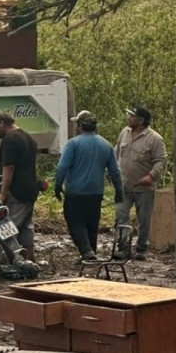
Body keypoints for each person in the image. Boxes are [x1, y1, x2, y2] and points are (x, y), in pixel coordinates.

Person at [54, 111, 123, 261]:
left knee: (75, 222)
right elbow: (115, 172)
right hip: (96, 192)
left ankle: (87, 252)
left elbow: (62, 167)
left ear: (80, 126)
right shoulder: (106, 145)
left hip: (75, 192)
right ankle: (91, 253)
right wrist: (119, 191)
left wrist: (58, 186)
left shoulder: (73, 144)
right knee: (92, 224)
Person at [115, 106, 167, 260]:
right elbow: (116, 152)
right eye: (128, 115)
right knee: (121, 216)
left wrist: (151, 176)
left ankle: (141, 248)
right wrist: (111, 171)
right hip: (124, 185)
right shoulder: (125, 133)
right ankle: (123, 248)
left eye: (132, 116)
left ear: (141, 120)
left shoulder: (154, 139)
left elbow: (161, 160)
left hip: (143, 188)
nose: (128, 118)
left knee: (144, 219)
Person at [0, 111, 39, 261]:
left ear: (1, 123)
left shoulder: (10, 140)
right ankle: (29, 257)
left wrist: (3, 192)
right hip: (30, 188)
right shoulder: (29, 137)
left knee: (8, 226)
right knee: (26, 225)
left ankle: (12, 258)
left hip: (17, 190)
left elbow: (9, 167)